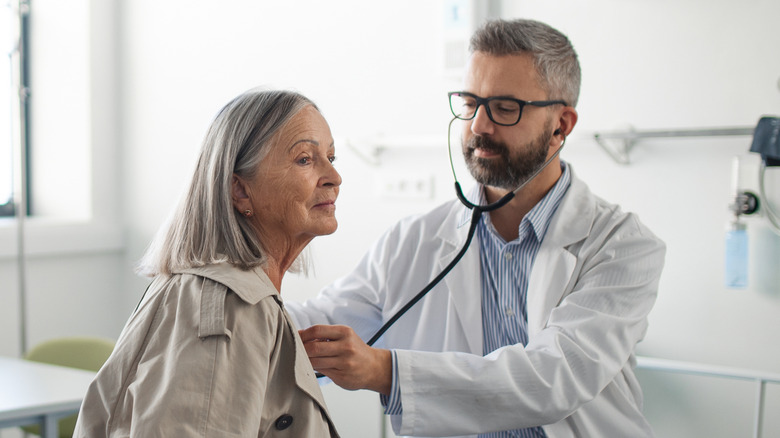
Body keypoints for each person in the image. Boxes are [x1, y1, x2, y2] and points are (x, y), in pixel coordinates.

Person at [287, 18, 666, 438]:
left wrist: (386, 371)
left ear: (561, 126)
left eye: (505, 108)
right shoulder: (412, 242)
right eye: (470, 104)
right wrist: (231, 292)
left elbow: (553, 377)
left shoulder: (622, 245)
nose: (479, 126)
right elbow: (312, 326)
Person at [74, 89, 342, 437]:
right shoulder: (230, 305)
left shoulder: (233, 295)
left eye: (331, 157)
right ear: (240, 191)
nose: (334, 178)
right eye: (305, 159)